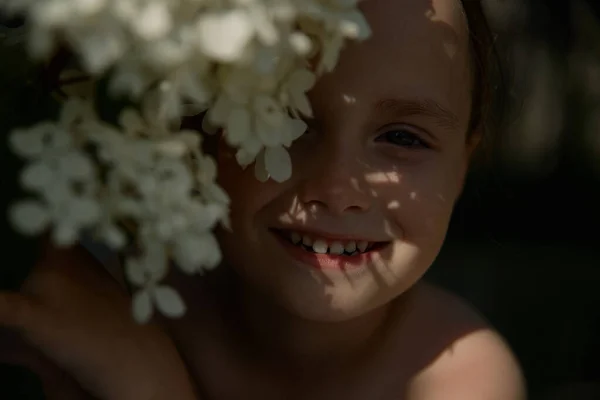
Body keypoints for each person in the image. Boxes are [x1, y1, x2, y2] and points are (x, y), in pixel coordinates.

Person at [0, 0, 527, 398]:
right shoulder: (104, 298)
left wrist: (156, 389)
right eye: (286, 120)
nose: (338, 189)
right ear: (196, 125)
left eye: (403, 138)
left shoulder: (463, 377)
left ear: (464, 165)